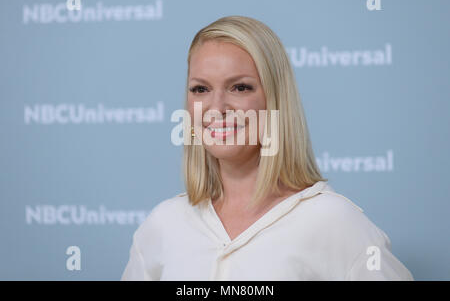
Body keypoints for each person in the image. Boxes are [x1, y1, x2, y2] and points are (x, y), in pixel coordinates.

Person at [121, 15, 414, 280]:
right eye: (201, 89)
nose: (217, 108)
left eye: (240, 87)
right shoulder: (163, 225)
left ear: (275, 99)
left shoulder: (334, 222)